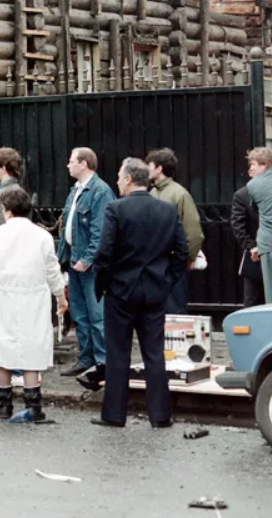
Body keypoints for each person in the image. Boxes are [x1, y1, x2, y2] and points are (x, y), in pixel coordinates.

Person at [92, 158, 187, 428]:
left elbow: (104, 252)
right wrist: (167, 280)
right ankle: (160, 415)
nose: (118, 182)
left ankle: (113, 415)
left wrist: (105, 283)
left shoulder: (116, 209)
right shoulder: (167, 210)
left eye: (120, 177)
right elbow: (181, 251)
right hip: (155, 291)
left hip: (121, 290)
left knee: (118, 354)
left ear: (130, 179)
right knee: (154, 354)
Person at [0, 187, 68, 421]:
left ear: (7, 211)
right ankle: (34, 407)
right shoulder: (42, 236)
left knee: (3, 347)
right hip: (33, 297)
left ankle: (5, 406)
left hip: (0, 296)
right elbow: (53, 271)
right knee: (31, 348)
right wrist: (60, 299)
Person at [57, 147, 116, 377]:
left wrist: (88, 258)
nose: (68, 165)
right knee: (81, 315)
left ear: (84, 164)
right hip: (74, 261)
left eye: (71, 161)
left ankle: (103, 362)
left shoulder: (100, 191)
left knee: (97, 315)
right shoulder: (76, 191)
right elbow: (68, 229)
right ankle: (86, 359)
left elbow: (100, 230)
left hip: (89, 265)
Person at [0, 147, 28, 390]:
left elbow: (4, 235)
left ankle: (16, 372)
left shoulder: (8, 195)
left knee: (9, 321)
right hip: (8, 269)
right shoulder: (7, 192)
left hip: (6, 270)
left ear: (4, 167)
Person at [146, 148, 204, 314]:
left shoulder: (179, 194)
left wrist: (186, 259)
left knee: (174, 311)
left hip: (172, 262)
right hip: (155, 263)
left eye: (149, 165)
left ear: (159, 168)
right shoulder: (153, 192)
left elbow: (193, 232)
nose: (146, 169)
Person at [246, 147, 272, 303]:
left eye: (253, 164)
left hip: (269, 242)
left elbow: (256, 210)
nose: (250, 168)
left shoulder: (253, 185)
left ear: (263, 164)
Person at [231, 166, 265, 307]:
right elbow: (238, 225)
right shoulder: (243, 194)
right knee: (252, 299)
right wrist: (251, 246)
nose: (250, 169)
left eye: (254, 165)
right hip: (255, 255)